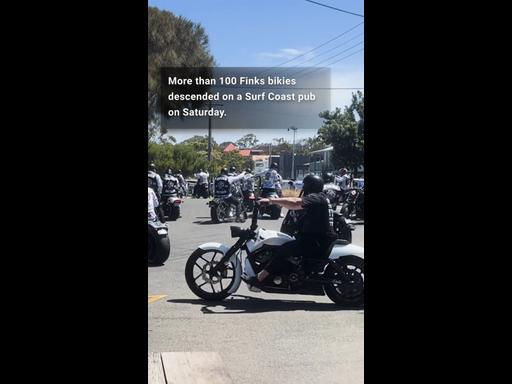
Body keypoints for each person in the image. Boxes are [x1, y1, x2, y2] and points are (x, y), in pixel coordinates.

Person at [244, 174, 336, 287]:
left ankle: (259, 279)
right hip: (316, 239)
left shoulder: (317, 197)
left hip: (317, 241)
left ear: (310, 187)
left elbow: (296, 202)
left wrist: (272, 201)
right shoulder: (320, 198)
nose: (303, 189)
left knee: (284, 250)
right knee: (286, 246)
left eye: (305, 186)